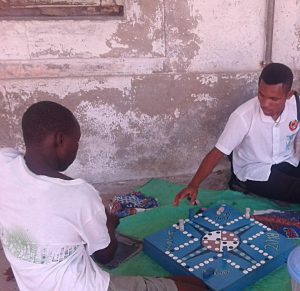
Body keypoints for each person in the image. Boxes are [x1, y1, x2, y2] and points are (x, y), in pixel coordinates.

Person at [0, 101, 207, 291]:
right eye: (77, 142)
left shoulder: (4, 163)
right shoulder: (78, 195)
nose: (77, 148)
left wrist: (25, 262)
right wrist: (107, 220)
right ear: (60, 139)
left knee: (183, 281)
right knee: (196, 287)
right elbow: (106, 255)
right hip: (86, 287)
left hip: (33, 282)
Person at [174, 63, 300, 206]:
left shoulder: (296, 104)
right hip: (257, 171)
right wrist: (193, 185)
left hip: (289, 161)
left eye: (273, 99)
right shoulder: (243, 116)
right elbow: (217, 152)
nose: (265, 103)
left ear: (288, 95)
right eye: (261, 95)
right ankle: (240, 182)